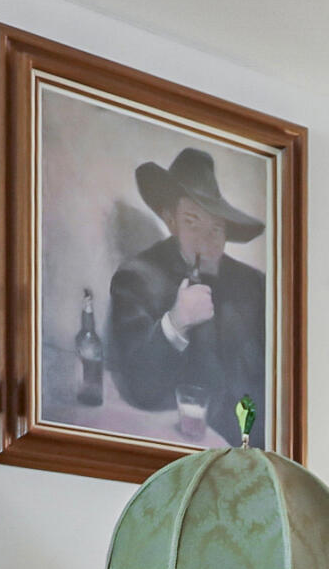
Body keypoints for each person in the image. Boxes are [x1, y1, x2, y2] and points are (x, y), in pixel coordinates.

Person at [103, 144, 269, 441]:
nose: (207, 239)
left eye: (217, 228)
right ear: (170, 221)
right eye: (193, 222)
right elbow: (140, 389)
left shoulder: (255, 286)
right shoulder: (136, 277)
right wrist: (176, 323)